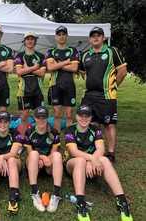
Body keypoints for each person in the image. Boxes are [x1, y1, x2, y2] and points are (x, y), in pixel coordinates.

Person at [64, 105, 133, 221]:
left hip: (93, 165)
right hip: (73, 165)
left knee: (105, 159)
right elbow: (74, 152)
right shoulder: (70, 130)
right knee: (81, 161)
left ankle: (122, 201)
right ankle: (80, 203)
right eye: (81, 115)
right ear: (76, 116)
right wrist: (91, 160)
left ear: (91, 118)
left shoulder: (95, 129)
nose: (84, 118)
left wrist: (93, 161)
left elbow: (101, 149)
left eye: (87, 116)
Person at [79, 27, 127, 162]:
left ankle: (110, 153)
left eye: (98, 35)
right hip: (89, 96)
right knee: (91, 123)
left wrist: (113, 86)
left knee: (109, 124)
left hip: (106, 95)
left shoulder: (112, 51)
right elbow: (83, 72)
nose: (95, 38)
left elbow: (122, 71)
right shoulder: (85, 55)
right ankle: (95, 149)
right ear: (89, 39)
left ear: (103, 38)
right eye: (93, 35)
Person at [0, 111, 24, 218]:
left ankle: (13, 196)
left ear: (9, 123)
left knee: (11, 159)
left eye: (5, 122)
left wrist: (2, 157)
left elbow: (13, 153)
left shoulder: (16, 133)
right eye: (0, 121)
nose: (3, 124)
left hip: (14, 165)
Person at [25, 106, 63, 212]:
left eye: (44, 117)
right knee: (33, 154)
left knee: (57, 155)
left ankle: (56, 195)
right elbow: (29, 152)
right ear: (34, 118)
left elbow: (54, 152)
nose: (41, 120)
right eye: (38, 117)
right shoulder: (29, 131)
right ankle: (34, 193)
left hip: (48, 165)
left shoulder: (54, 132)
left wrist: (47, 159)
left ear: (47, 118)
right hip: (34, 164)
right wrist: (41, 158)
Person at [45, 26, 79, 132]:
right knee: (57, 114)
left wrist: (58, 64)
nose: (61, 37)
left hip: (69, 86)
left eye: (63, 34)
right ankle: (56, 139)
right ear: (55, 37)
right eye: (59, 35)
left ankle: (70, 140)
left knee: (69, 115)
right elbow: (50, 67)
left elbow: (74, 68)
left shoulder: (73, 51)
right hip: (55, 86)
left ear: (67, 36)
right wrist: (66, 62)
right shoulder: (51, 51)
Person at [14, 32, 46, 135]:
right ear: (24, 41)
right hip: (24, 90)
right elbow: (19, 72)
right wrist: (34, 68)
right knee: (24, 116)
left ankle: (38, 138)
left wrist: (26, 69)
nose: (30, 41)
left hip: (38, 90)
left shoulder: (41, 56)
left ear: (35, 41)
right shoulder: (19, 55)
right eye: (28, 39)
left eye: (32, 39)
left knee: (40, 115)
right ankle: (22, 139)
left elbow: (42, 73)